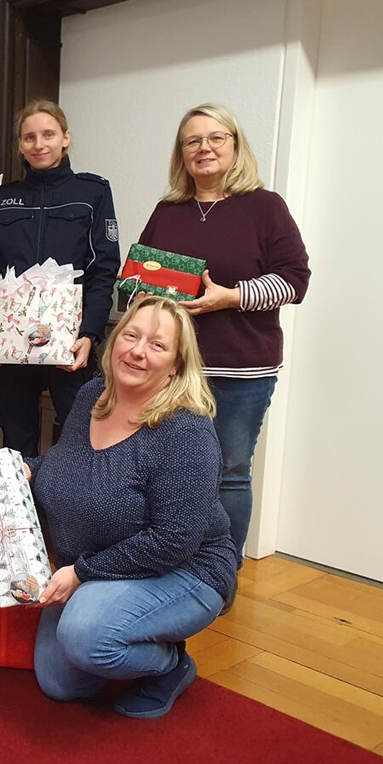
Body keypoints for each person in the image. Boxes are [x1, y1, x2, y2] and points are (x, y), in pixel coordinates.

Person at [29, 296, 237, 719]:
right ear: (115, 340)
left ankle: (169, 665)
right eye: (131, 335)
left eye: (157, 345)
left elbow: (173, 541)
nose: (138, 351)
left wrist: (82, 573)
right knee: (60, 682)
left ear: (176, 365)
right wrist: (22, 472)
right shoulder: (93, 395)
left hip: (185, 570)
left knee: (86, 636)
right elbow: (64, 465)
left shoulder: (186, 432)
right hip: (97, 561)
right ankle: (120, 632)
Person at [137, 103, 311, 568]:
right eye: (192, 141)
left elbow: (295, 280)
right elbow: (141, 279)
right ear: (182, 153)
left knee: (229, 473)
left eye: (216, 138)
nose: (204, 148)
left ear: (235, 146)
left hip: (241, 368)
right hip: (172, 370)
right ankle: (175, 561)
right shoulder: (167, 211)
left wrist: (230, 297)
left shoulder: (264, 207)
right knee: (171, 473)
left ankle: (220, 571)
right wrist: (137, 292)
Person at [0, 99, 120, 456]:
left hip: (68, 344)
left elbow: (103, 269)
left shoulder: (93, 193)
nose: (39, 144)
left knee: (76, 444)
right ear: (20, 145)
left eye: (48, 134)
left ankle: (64, 514)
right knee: (15, 443)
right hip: (10, 346)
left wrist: (91, 334)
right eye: (29, 137)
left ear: (65, 138)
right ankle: (23, 512)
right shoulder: (2, 201)